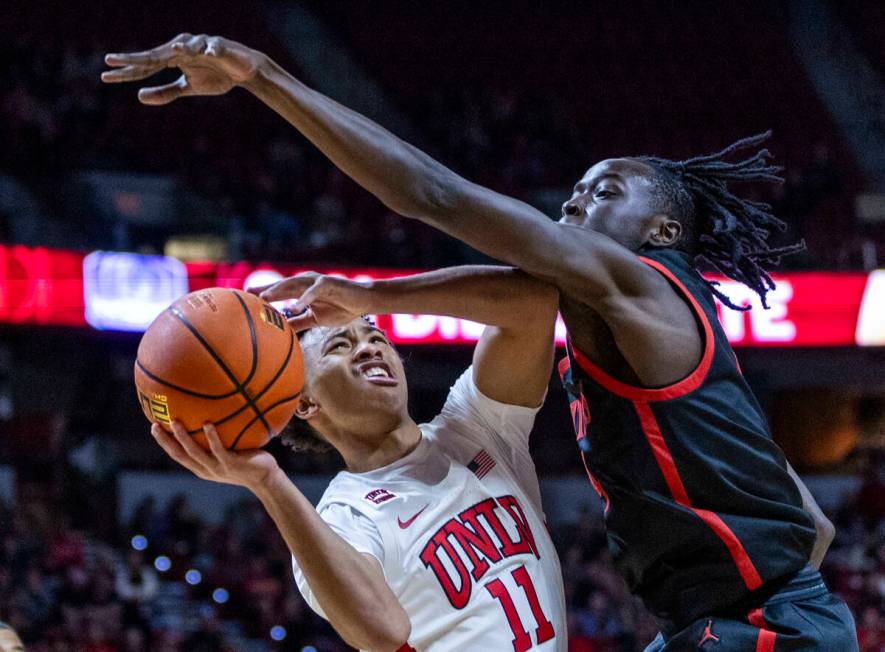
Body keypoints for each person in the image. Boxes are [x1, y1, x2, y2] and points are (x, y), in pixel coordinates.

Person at [102, 35, 858, 649]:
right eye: (572, 191)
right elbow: (811, 523)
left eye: (603, 191)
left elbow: (432, 196)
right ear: (299, 404)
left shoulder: (639, 286)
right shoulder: (613, 330)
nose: (572, 203)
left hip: (755, 627)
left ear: (661, 232)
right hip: (720, 625)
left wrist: (262, 73)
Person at [146, 266, 567, 651]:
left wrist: (374, 297)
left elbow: (534, 302)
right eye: (340, 346)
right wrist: (268, 482)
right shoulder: (342, 517)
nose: (368, 348)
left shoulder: (476, 424)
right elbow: (382, 632)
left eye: (374, 336)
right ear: (304, 402)